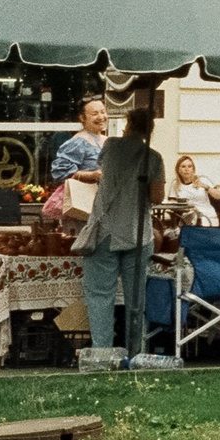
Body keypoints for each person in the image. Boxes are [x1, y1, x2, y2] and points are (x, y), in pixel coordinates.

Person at [75, 106, 161, 357]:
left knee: (101, 295)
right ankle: (135, 352)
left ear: (128, 124)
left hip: (106, 231)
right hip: (138, 233)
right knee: (136, 299)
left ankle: (102, 353)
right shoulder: (153, 157)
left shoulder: (111, 146)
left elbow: (104, 170)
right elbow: (157, 197)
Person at [51, 97, 109, 231]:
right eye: (95, 114)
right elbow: (59, 171)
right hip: (83, 205)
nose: (101, 117)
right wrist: (92, 175)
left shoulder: (107, 140)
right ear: (82, 118)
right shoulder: (78, 142)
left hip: (104, 204)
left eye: (103, 112)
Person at [172, 154, 220, 226]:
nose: (186, 169)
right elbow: (172, 203)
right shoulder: (176, 184)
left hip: (206, 216)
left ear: (193, 169)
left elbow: (219, 196)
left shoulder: (203, 179)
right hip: (187, 218)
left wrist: (206, 187)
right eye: (183, 166)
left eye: (189, 166)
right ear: (178, 170)